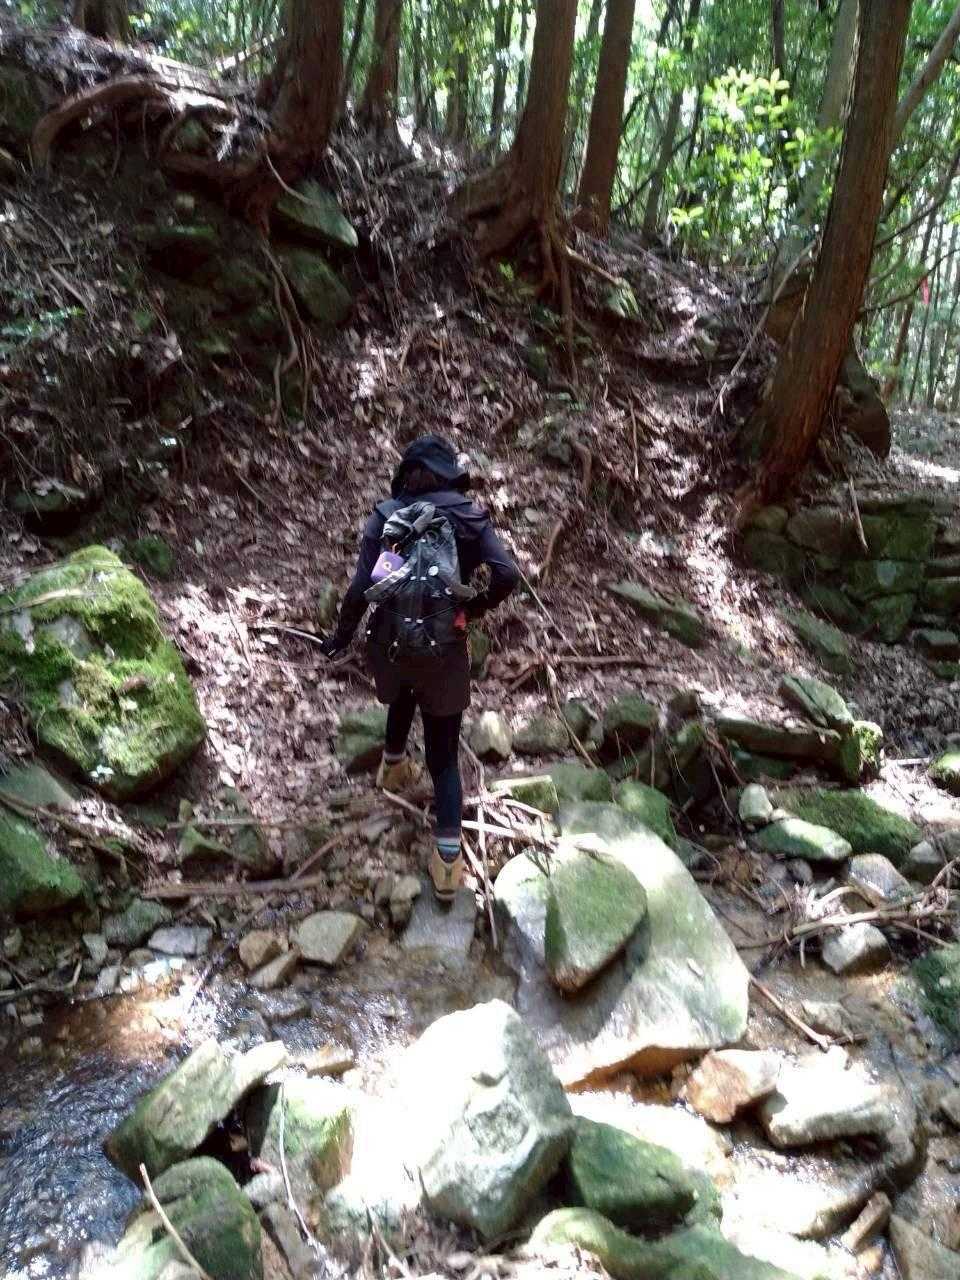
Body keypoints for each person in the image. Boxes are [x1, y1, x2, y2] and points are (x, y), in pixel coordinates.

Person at [321, 435, 520, 901]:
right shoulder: (467, 517)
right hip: (444, 649)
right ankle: (448, 866)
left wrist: (341, 637)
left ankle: (392, 767)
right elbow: (507, 574)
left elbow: (361, 588)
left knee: (405, 686)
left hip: (390, 646)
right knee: (444, 756)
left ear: (407, 473)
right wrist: (472, 608)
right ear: (449, 473)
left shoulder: (387, 516)